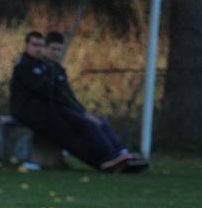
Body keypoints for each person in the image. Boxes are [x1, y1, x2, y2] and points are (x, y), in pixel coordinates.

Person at [9, 32, 141, 172]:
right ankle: (104, 160)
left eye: (40, 45)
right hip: (36, 114)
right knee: (75, 131)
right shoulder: (25, 65)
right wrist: (79, 112)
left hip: (51, 111)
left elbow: (64, 95)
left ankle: (119, 154)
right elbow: (45, 91)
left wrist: (82, 111)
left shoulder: (47, 66)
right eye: (35, 45)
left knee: (94, 121)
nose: (38, 49)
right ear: (27, 45)